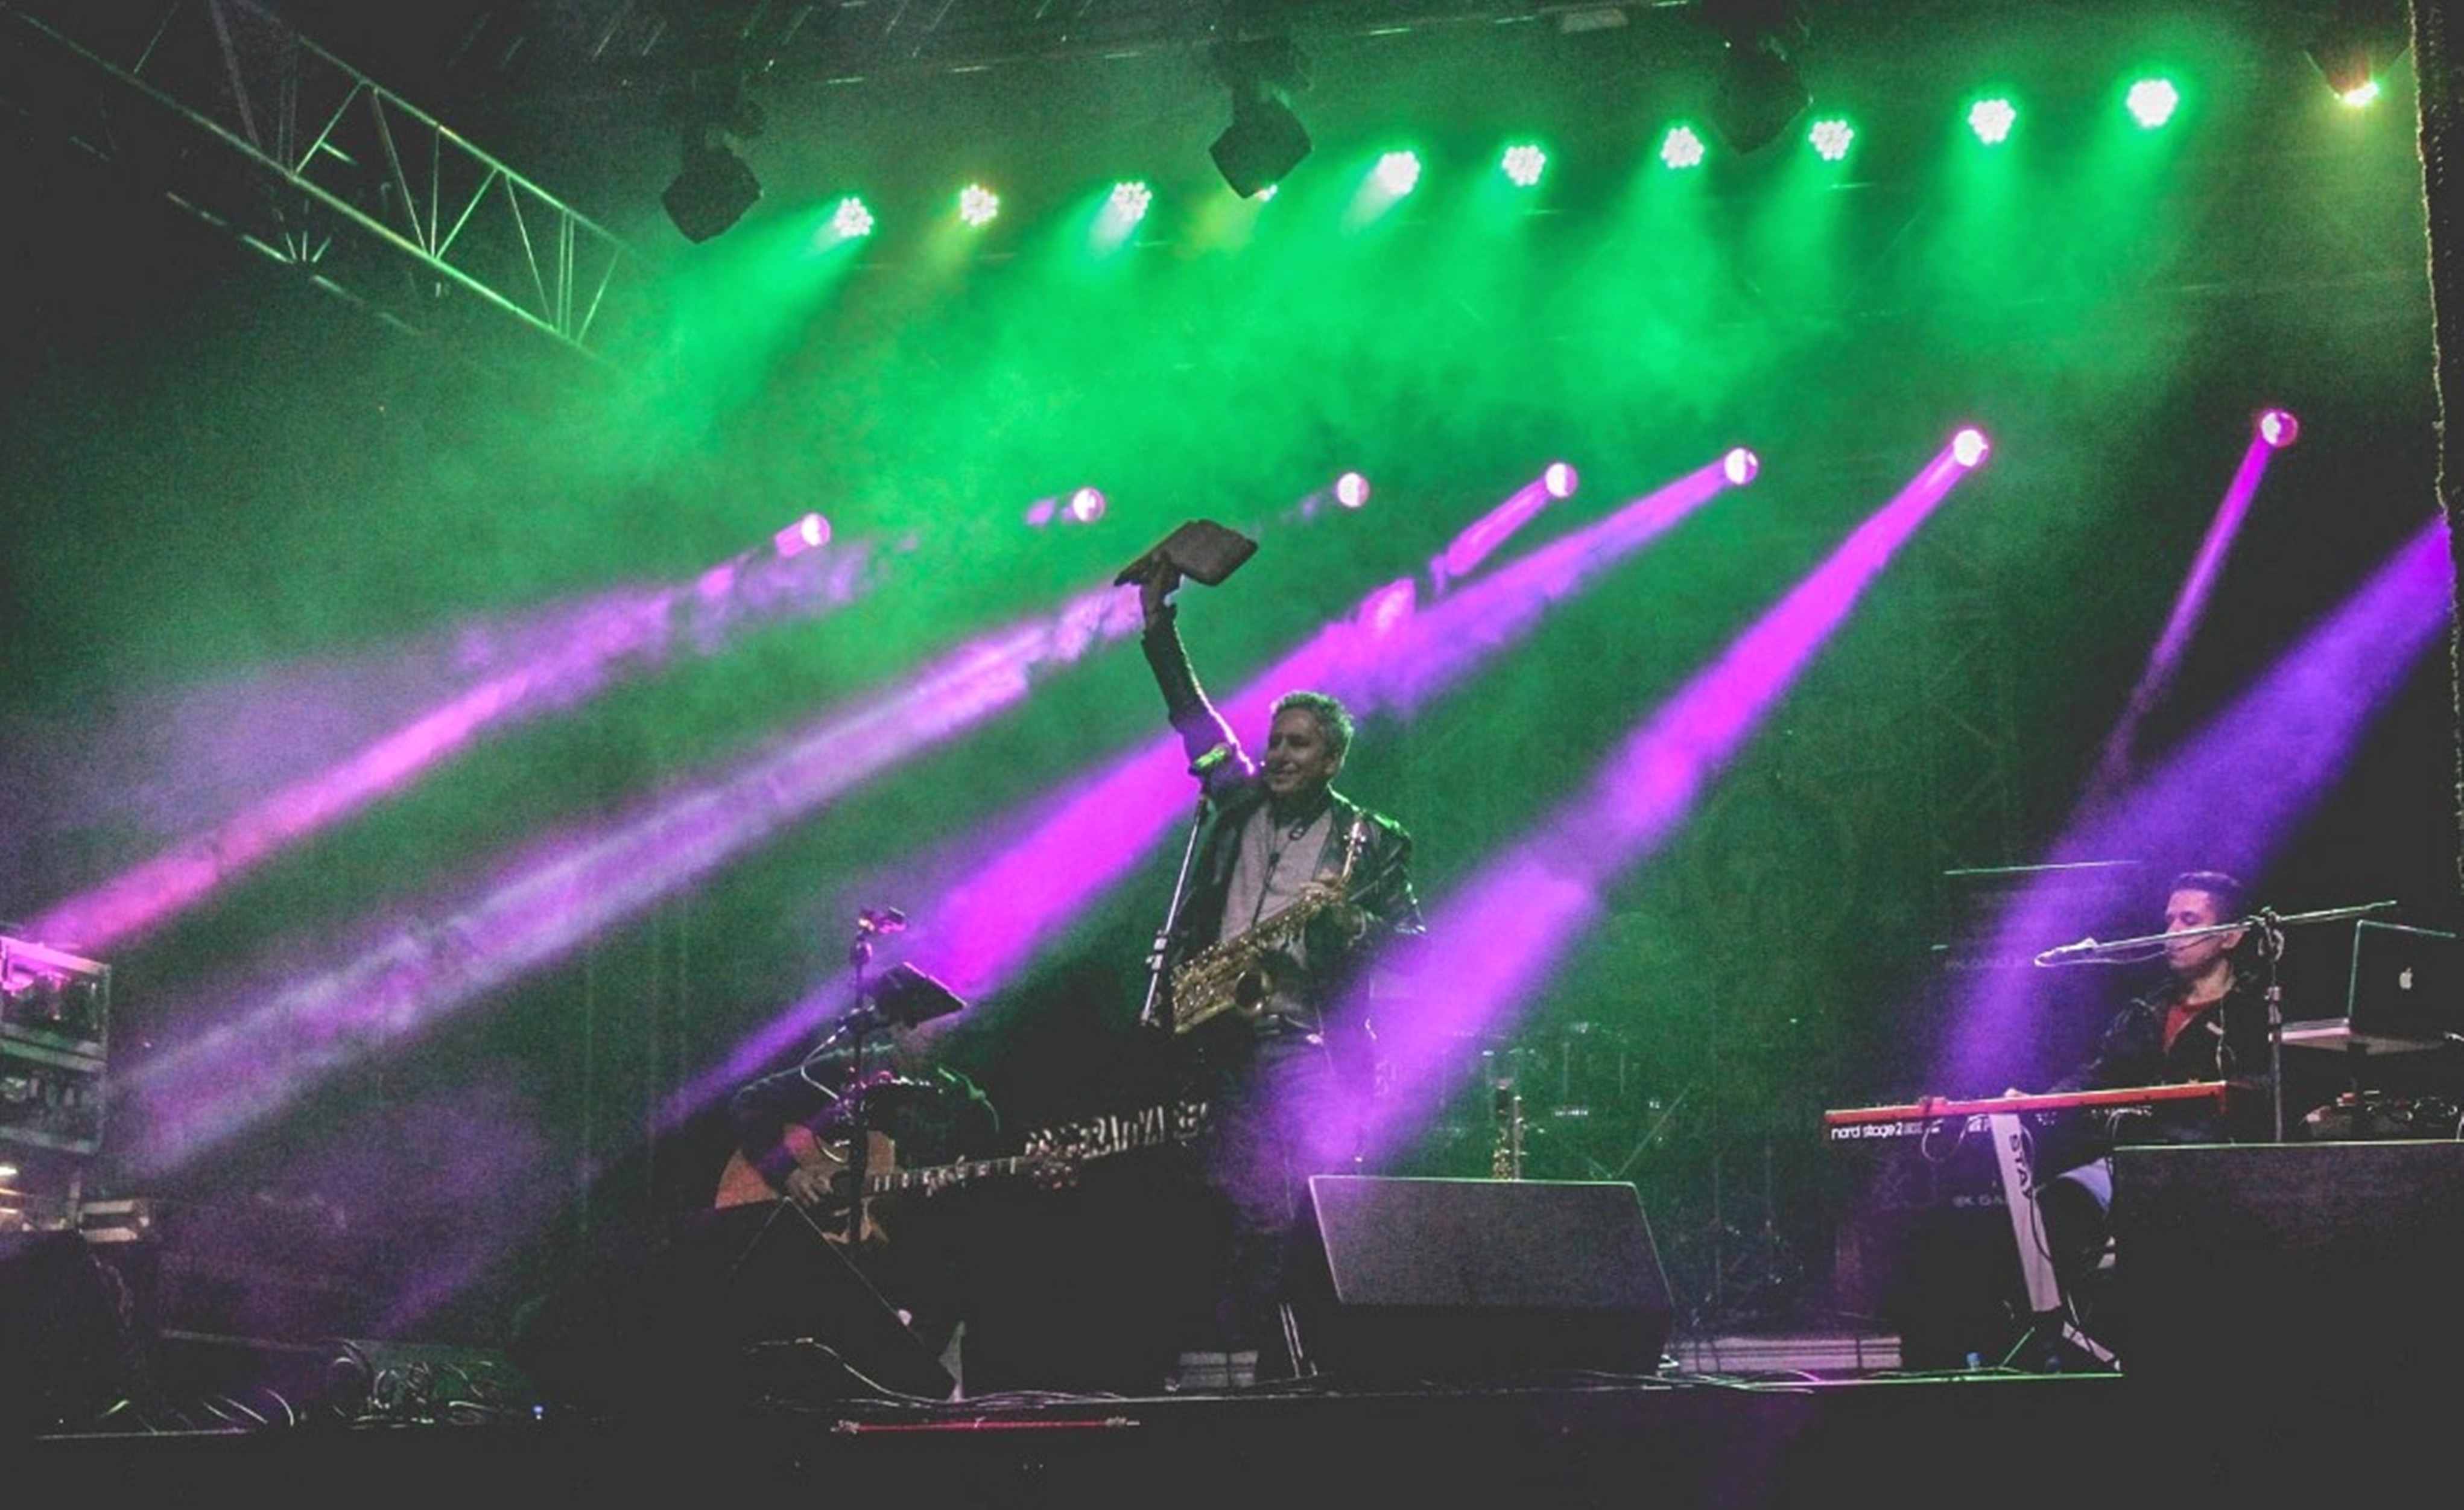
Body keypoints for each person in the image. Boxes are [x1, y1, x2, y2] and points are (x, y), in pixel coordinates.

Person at [1133, 557, 1425, 1383]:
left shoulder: (1370, 841)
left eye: (1298, 744)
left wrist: (1349, 919)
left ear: (1332, 759)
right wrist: (1158, 624)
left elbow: (1414, 947)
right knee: (1218, 1198)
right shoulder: (1236, 803)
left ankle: (1278, 1360)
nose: (1279, 754)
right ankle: (1220, 1353)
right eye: (1274, 740)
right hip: (1209, 1030)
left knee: (1301, 1194)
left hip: (1301, 1039)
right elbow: (1190, 714)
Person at [2030, 869, 2284, 1339]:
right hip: (2128, 1163)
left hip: (2210, 1169)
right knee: (2052, 1207)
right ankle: (2065, 1343)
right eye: (2169, 920)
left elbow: (2264, 1095)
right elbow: (2097, 1074)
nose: (2171, 932)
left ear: (2230, 935)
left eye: (2189, 920)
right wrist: (2037, 1104)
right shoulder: (2145, 1010)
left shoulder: (2254, 1012)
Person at [720, 1002, 1002, 1385]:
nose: (938, 1047)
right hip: (833, 1268)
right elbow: (750, 1103)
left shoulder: (970, 1109)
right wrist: (790, 1173)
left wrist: (947, 1197)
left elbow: (976, 1223)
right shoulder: (849, 1071)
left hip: (918, 1281)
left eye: (947, 1038)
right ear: (898, 1029)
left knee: (915, 1379)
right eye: (930, 1037)